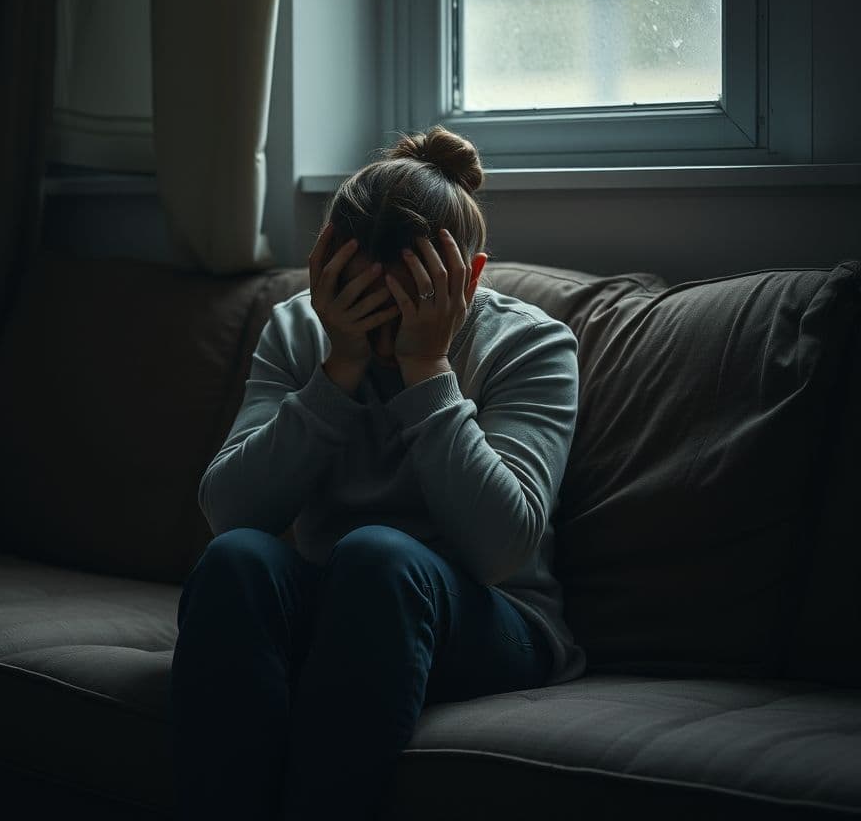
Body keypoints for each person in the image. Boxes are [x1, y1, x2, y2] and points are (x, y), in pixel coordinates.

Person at [168, 125, 584, 821]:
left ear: (469, 278)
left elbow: (501, 549)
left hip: (493, 619)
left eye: (403, 312)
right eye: (364, 306)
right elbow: (230, 513)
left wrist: (428, 370)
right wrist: (338, 369)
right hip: (341, 605)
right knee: (237, 560)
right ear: (327, 266)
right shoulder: (302, 330)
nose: (382, 340)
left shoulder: (532, 344)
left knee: (379, 555)